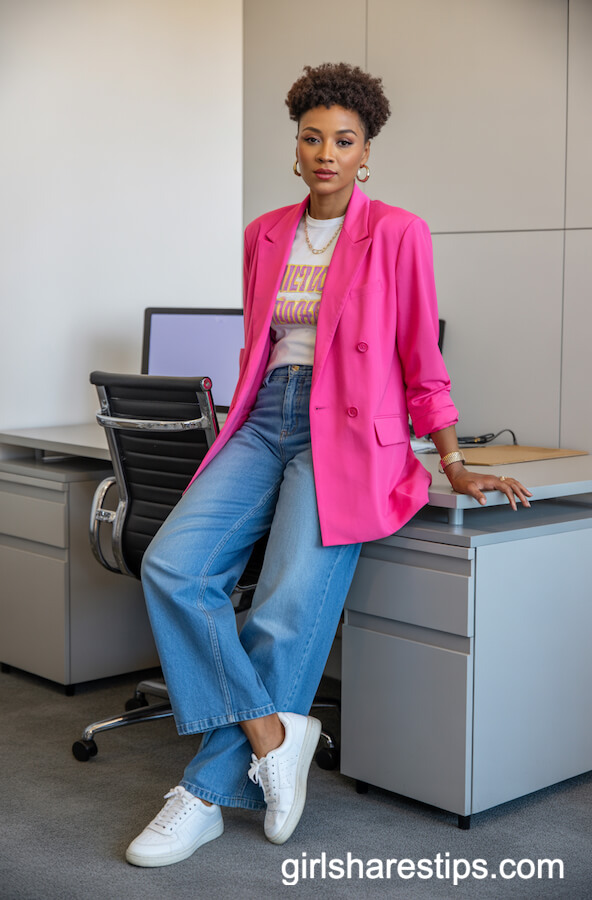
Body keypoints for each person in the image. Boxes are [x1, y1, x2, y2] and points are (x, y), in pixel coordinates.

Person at [125, 62, 532, 868]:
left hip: (346, 434)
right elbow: (261, 347)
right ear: (295, 147)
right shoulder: (264, 234)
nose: (326, 152)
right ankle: (275, 735)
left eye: (343, 140)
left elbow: (420, 355)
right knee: (173, 567)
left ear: (366, 152)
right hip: (265, 418)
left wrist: (450, 457)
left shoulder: (399, 232)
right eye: (312, 137)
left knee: (281, 606)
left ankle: (204, 795)